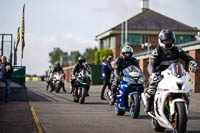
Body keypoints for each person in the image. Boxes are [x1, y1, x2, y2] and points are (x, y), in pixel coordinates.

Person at [145, 29, 198, 112]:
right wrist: (153, 74)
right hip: (160, 74)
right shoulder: (156, 52)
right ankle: (149, 104)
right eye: (165, 41)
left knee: (183, 86)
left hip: (174, 73)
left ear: (173, 40)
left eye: (169, 40)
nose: (167, 42)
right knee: (152, 88)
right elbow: (151, 65)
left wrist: (192, 62)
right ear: (161, 41)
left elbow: (187, 57)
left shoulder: (177, 49)